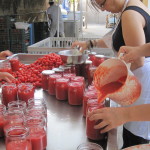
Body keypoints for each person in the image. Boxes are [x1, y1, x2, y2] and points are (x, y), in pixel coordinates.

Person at [72, 0, 150, 148]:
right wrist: (89, 44)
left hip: (141, 88)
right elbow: (117, 39)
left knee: (136, 138)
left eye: (102, 4)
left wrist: (111, 74)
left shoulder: (130, 14)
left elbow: (137, 61)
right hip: (138, 87)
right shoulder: (131, 7)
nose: (102, 10)